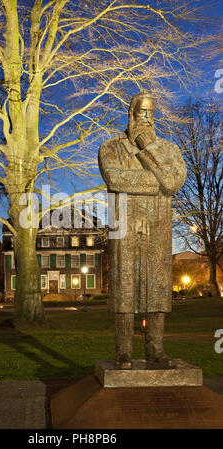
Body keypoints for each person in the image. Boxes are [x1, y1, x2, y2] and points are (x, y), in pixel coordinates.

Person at [98, 92, 187, 368]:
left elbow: (173, 181)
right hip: (124, 224)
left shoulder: (169, 150)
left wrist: (149, 148)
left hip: (158, 225)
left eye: (150, 112)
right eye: (141, 112)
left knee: (158, 287)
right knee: (125, 288)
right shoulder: (110, 147)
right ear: (131, 113)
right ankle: (123, 352)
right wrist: (157, 181)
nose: (146, 118)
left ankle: (155, 350)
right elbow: (115, 179)